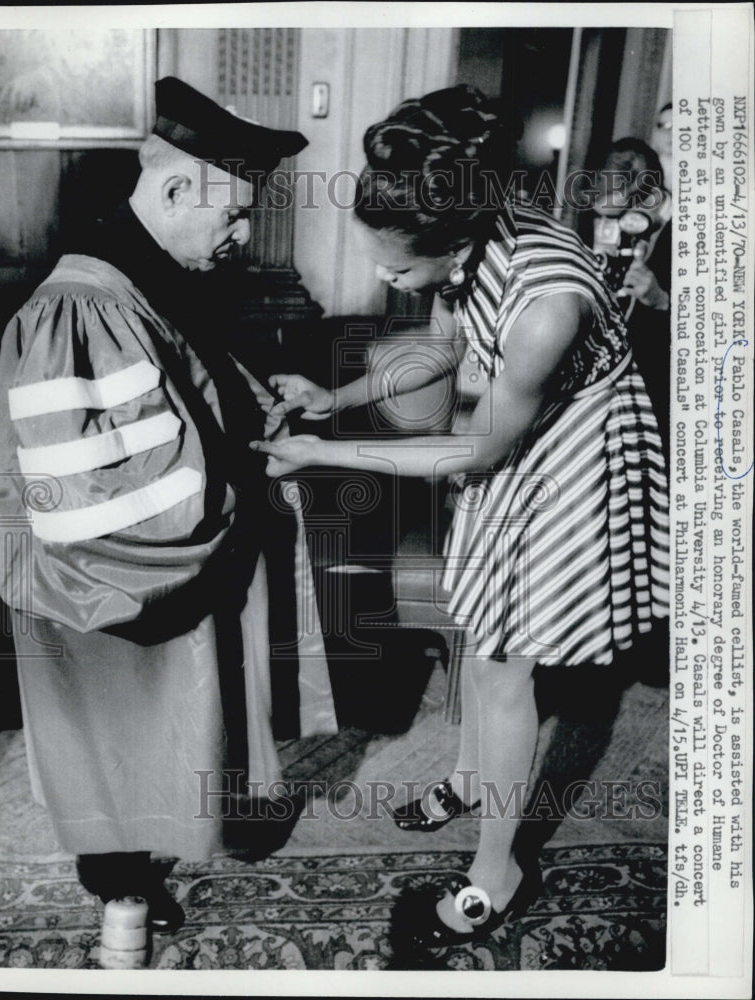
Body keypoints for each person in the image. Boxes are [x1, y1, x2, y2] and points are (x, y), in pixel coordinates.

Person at [253, 85, 669, 958]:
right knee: (479, 632)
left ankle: (496, 873)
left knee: (507, 665)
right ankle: (473, 779)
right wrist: (336, 399)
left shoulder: (546, 305)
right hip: (513, 443)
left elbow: (472, 452)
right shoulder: (473, 236)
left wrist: (322, 453)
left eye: (398, 270)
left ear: (449, 243)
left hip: (576, 463)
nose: (384, 280)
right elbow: (443, 350)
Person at [0, 77, 337, 934]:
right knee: (118, 734)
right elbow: (121, 497)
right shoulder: (78, 306)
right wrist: (233, 480)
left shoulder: (140, 274)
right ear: (177, 189)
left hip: (173, 548)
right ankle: (122, 902)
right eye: (234, 215)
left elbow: (189, 387)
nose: (244, 234)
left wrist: (258, 410)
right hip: (113, 580)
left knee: (181, 723)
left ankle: (185, 838)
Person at [591, 135, 672, 455]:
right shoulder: (611, 222)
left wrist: (662, 301)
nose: (611, 225)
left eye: (620, 212)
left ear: (650, 196)